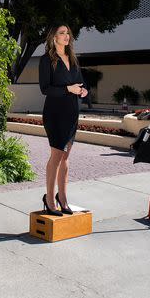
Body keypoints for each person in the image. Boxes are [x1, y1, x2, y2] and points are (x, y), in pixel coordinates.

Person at [38, 24, 89, 216]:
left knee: (66, 158)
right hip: (55, 113)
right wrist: (68, 89)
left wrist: (83, 91)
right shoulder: (47, 60)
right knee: (57, 156)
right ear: (54, 37)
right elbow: (45, 89)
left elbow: (83, 83)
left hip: (71, 113)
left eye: (68, 33)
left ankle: (63, 198)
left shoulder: (73, 60)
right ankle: (50, 199)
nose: (66, 36)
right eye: (62, 33)